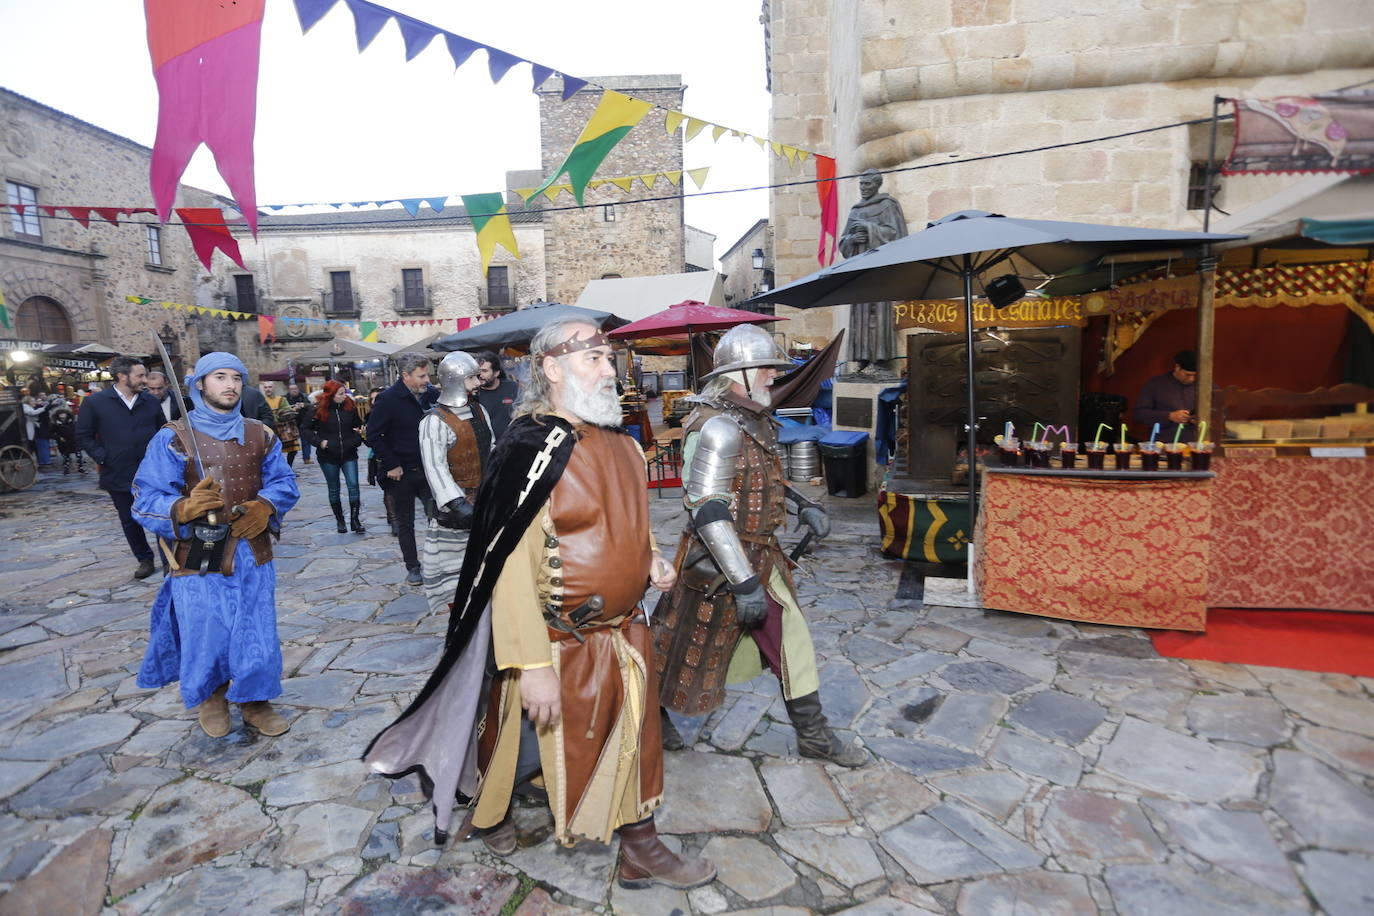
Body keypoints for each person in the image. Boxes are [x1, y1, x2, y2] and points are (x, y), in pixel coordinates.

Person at [365, 318, 715, 890]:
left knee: (635, 739)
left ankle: (640, 847)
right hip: (555, 641)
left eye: (609, 358)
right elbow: (505, 568)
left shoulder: (626, 445)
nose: (610, 371)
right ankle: (487, 811)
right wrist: (531, 665)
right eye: (593, 359)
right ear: (551, 369)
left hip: (623, 633)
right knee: (512, 744)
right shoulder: (530, 448)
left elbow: (628, 520)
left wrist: (649, 556)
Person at [652, 324, 868, 767]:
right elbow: (708, 511)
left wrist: (802, 503)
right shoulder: (716, 427)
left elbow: (763, 478)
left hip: (763, 557)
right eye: (766, 367)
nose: (773, 374)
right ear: (741, 373)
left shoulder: (754, 419)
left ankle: (814, 736)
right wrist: (744, 583)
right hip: (714, 567)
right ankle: (649, 719)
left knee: (794, 643)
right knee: (671, 647)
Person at [131, 352, 300, 738]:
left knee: (257, 627)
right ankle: (212, 696)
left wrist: (265, 505)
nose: (230, 385)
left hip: (251, 548)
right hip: (198, 553)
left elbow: (284, 482)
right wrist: (182, 507)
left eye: (236, 378)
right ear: (200, 385)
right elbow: (145, 497)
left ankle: (256, 700)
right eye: (219, 377)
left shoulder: (261, 433)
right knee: (206, 628)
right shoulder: (172, 437)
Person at [417, 352, 493, 619]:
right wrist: (457, 504)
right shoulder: (433, 421)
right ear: (456, 380)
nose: (478, 381)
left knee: (486, 568)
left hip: (485, 501)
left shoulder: (480, 411)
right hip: (456, 510)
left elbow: (491, 450)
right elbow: (435, 468)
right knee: (455, 574)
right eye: (472, 377)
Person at [75, 355, 164, 579]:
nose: (145, 380)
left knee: (162, 515)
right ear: (123, 376)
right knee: (129, 519)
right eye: (140, 375)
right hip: (118, 472)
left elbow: (164, 431)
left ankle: (169, 559)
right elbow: (83, 435)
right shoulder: (96, 402)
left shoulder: (150, 401)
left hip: (153, 473)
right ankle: (144, 559)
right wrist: (102, 457)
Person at [365, 353, 438, 586]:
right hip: (402, 473)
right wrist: (392, 464)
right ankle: (413, 567)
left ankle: (438, 564)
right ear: (406, 376)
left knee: (437, 519)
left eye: (427, 374)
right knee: (405, 523)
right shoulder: (387, 399)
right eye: (422, 375)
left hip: (429, 469)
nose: (427, 380)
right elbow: (374, 435)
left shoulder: (432, 396)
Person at [837, 168, 908, 372]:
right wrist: (852, 239)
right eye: (861, 184)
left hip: (880, 273)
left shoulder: (888, 205)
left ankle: (878, 361)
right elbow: (843, 244)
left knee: (878, 316)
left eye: (867, 184)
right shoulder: (855, 210)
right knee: (859, 316)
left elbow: (897, 235)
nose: (863, 188)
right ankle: (861, 359)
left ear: (876, 184)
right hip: (860, 273)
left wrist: (869, 230)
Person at [304, 380, 367, 534]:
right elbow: (305, 429)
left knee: (353, 485)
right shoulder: (317, 409)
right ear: (331, 395)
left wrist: (356, 440)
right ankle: (340, 521)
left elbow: (358, 427)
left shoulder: (349, 407)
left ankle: (354, 520)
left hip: (349, 453)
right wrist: (320, 442)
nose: (344, 396)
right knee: (334, 488)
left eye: (344, 392)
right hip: (328, 456)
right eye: (340, 394)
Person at [1133, 349, 1198, 442]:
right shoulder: (1156, 384)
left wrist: (1201, 417)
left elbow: (1220, 411)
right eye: (1187, 375)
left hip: (1197, 443)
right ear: (1177, 367)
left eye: (1195, 375)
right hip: (1164, 442)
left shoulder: (1206, 384)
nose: (1191, 379)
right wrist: (1169, 416)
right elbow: (1139, 414)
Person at [474, 350, 520, 439]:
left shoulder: (512, 387)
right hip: (485, 446)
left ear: (496, 373)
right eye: (478, 371)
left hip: (509, 443)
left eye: (484, 371)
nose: (480, 375)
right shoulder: (473, 393)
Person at [263, 381, 303, 467]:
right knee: (272, 451)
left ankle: (289, 466)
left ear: (273, 388)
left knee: (293, 449)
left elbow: (287, 409)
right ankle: (277, 468)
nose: (268, 389)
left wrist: (282, 412)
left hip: (283, 428)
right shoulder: (262, 400)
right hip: (269, 429)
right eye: (266, 387)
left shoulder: (281, 399)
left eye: (270, 387)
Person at [49, 400, 84, 474]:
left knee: (78, 455)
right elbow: (51, 433)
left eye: (64, 413)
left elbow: (78, 429)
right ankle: (66, 469)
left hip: (74, 440)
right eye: (60, 414)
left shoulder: (72, 422)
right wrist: (59, 438)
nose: (62, 415)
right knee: (66, 456)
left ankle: (81, 468)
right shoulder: (56, 424)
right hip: (64, 442)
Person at [22, 395, 53, 467]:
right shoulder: (25, 406)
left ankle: (37, 460)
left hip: (31, 426)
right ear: (28, 401)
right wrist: (44, 408)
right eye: (32, 401)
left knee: (33, 445)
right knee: (31, 444)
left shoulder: (29, 407)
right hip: (28, 427)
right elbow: (32, 413)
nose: (34, 402)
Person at [286, 382, 313, 464]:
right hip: (291, 423)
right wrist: (292, 408)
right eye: (292, 389)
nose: (294, 391)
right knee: (292, 443)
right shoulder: (285, 398)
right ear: (289, 390)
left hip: (303, 422)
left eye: (295, 389)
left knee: (306, 440)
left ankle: (306, 458)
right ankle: (290, 460)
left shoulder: (304, 396)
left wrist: (304, 405)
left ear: (298, 389)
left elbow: (311, 406)